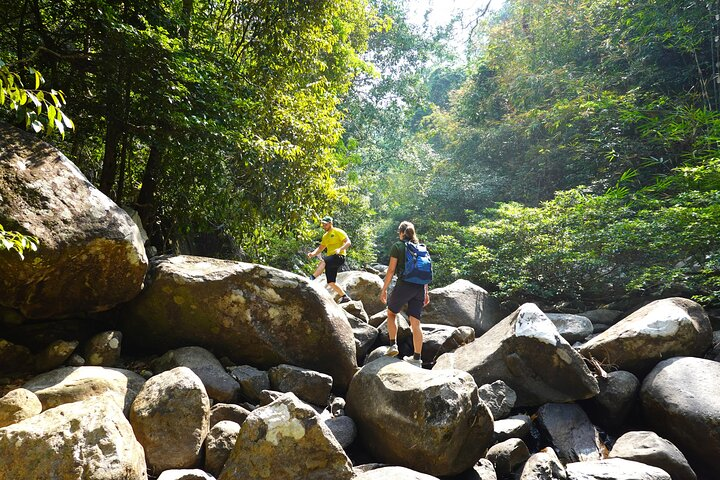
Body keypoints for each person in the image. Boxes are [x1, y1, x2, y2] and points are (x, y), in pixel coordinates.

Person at [379, 221, 430, 367]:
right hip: (419, 288)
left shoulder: (398, 246)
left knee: (391, 313)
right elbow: (423, 273)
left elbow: (390, 270)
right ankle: (417, 359)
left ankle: (393, 345)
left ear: (401, 232)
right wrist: (426, 292)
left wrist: (384, 289)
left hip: (404, 286)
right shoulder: (421, 248)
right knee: (416, 323)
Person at [307, 216, 353, 303]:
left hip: (339, 257)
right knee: (331, 282)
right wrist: (312, 254)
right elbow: (321, 248)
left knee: (324, 261)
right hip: (331, 259)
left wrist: (340, 249)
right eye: (323, 224)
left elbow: (348, 242)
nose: (324, 226)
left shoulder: (338, 231)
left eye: (325, 224)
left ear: (330, 223)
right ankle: (345, 297)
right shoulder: (325, 236)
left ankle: (312, 278)